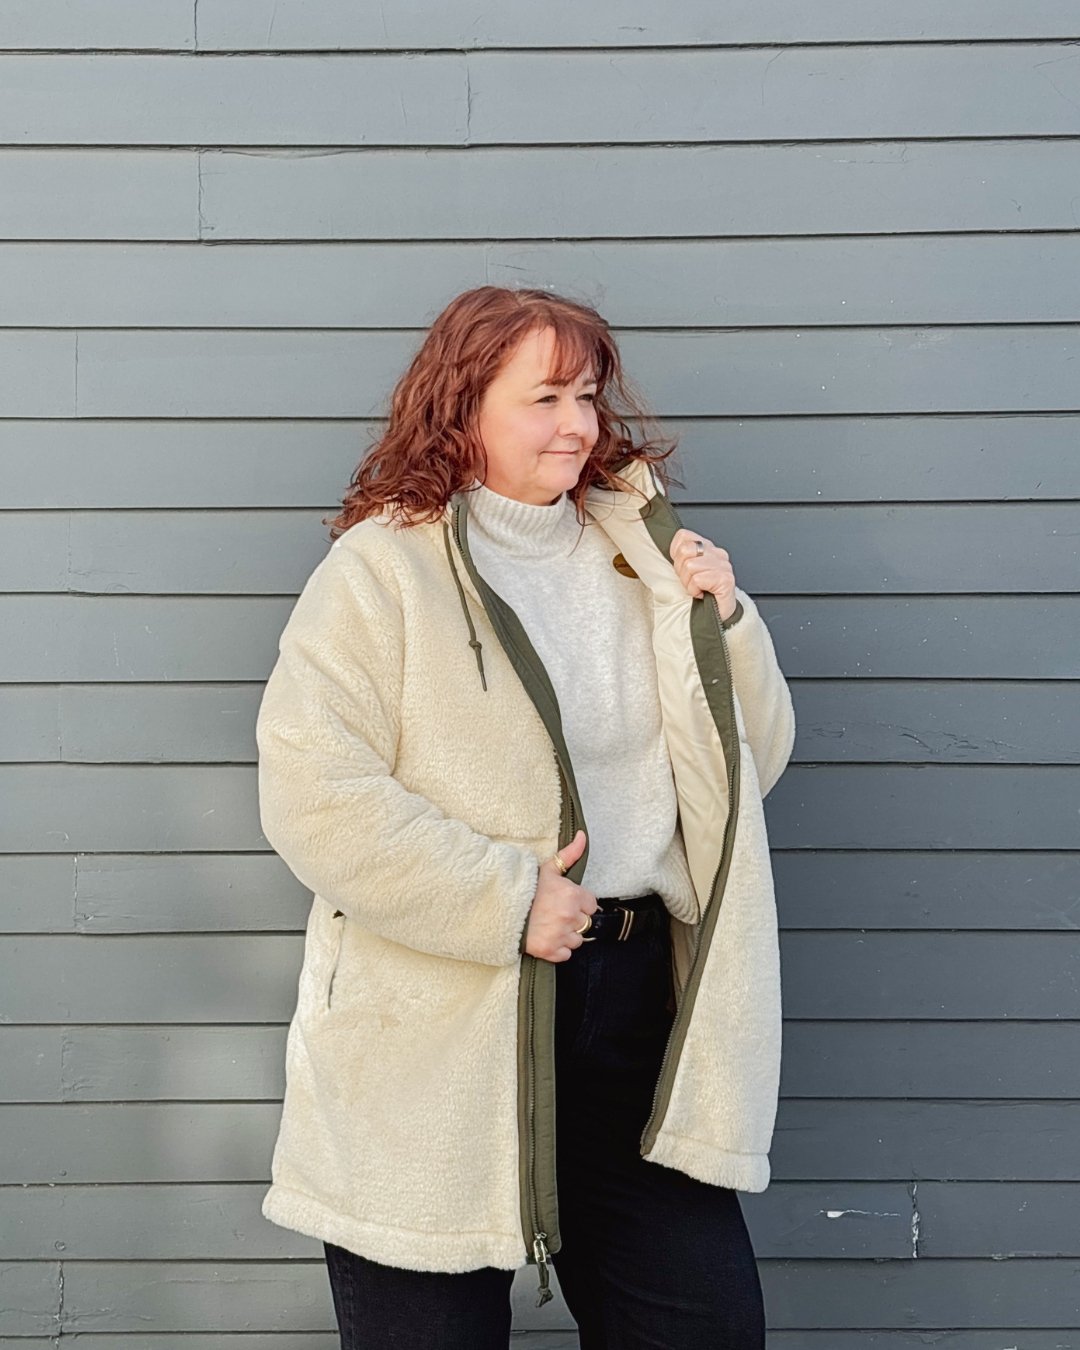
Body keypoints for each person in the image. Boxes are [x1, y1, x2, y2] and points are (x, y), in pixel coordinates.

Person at [255, 285, 796, 1349]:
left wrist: (723, 624)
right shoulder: (382, 572)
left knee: (701, 1323)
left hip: (634, 1006)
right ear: (462, 409)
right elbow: (312, 787)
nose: (578, 425)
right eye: (543, 396)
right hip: (445, 1014)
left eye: (587, 396)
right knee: (430, 1327)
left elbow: (750, 774)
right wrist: (505, 900)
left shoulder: (639, 556)